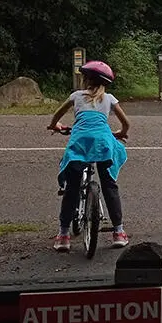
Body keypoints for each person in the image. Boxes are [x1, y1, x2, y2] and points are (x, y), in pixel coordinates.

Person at [46, 60, 131, 252]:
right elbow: (126, 123)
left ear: (85, 80)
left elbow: (56, 116)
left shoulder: (76, 96)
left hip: (80, 142)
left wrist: (54, 126)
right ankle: (118, 232)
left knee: (72, 188)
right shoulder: (109, 98)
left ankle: (63, 235)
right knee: (109, 185)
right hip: (102, 143)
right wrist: (120, 133)